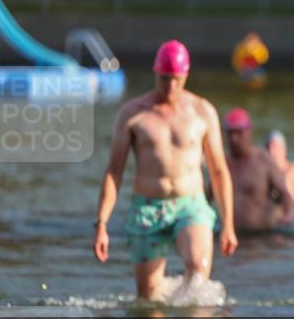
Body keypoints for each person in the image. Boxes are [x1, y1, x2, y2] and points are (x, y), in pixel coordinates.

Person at [93, 41, 237, 299]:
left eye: (176, 79)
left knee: (197, 272)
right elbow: (114, 171)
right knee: (148, 300)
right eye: (165, 79)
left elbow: (218, 171)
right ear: (155, 73)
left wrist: (228, 224)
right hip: (147, 208)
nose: (170, 86)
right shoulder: (132, 114)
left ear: (186, 75)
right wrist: (101, 223)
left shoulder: (203, 111)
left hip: (190, 204)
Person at [221, 109, 291, 232]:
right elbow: (206, 197)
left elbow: (285, 195)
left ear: (248, 132)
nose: (234, 139)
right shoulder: (222, 165)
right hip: (231, 237)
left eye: (238, 133)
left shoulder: (263, 161)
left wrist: (286, 216)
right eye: (230, 133)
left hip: (262, 239)